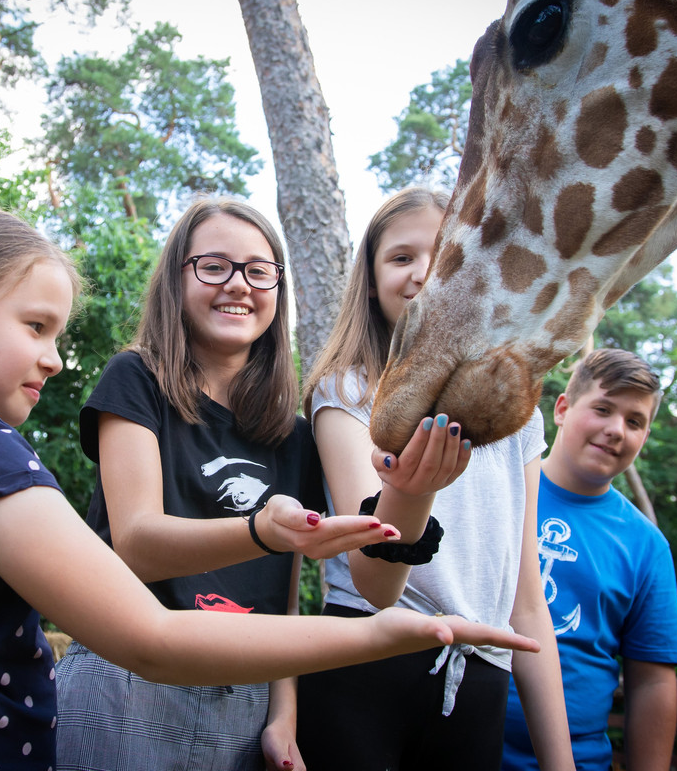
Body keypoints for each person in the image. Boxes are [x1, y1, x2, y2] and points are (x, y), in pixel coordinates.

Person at [0, 201, 540, 770]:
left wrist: (287, 698)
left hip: (225, 684)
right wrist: (382, 632)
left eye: (260, 269)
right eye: (37, 328)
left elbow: (294, 584)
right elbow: (148, 622)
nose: (56, 357)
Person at [52, 195, 471, 771]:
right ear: (177, 279)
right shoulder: (137, 379)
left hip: (244, 694)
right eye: (214, 266)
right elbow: (137, 545)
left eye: (258, 270)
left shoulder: (292, 437)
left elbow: (282, 599)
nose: (238, 285)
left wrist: (282, 714)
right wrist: (262, 530)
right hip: (129, 678)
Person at [295, 186, 575, 771]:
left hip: (482, 678)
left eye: (447, 255)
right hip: (365, 660)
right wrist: (411, 491)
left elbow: (526, 600)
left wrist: (561, 762)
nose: (426, 273)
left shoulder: (518, 414)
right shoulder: (345, 390)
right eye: (402, 257)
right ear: (370, 281)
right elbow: (375, 583)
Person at [501, 348, 677, 771]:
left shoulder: (646, 546)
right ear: (562, 408)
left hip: (579, 759)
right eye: (602, 408)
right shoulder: (501, 490)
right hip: (459, 742)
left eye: (635, 421)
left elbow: (652, 680)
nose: (616, 430)